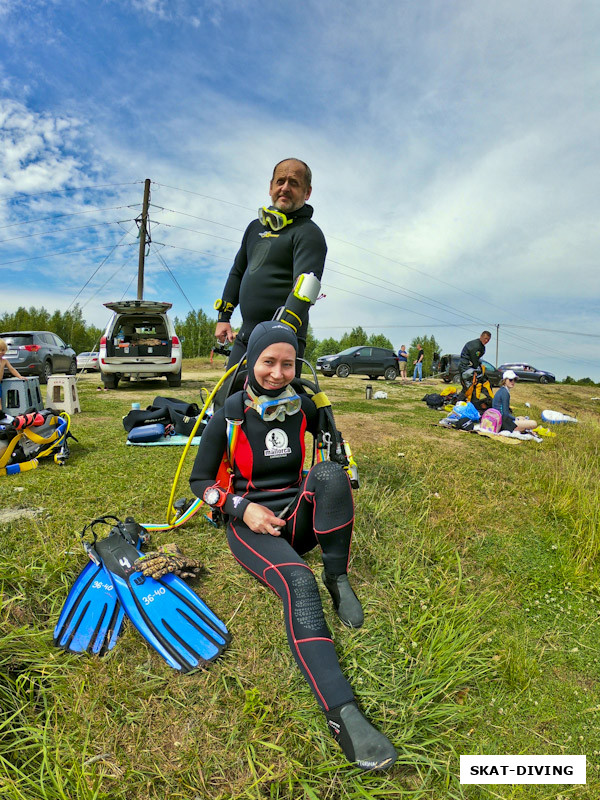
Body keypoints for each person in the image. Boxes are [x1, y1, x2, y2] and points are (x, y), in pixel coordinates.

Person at [190, 321, 397, 772]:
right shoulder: (228, 414)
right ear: (252, 363)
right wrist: (239, 507)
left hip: (295, 513)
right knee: (298, 584)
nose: (278, 373)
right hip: (250, 521)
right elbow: (199, 482)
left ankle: (337, 577)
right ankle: (343, 713)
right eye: (269, 362)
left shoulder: (303, 405)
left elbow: (334, 451)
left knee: (329, 476)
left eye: (288, 364)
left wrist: (338, 466)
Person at [214, 158, 327, 367]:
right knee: (227, 399)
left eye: (294, 183)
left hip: (283, 337)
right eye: (280, 181)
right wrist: (224, 317)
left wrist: (280, 332)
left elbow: (305, 288)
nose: (285, 188)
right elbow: (237, 272)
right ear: (270, 187)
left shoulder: (309, 233)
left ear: (307, 192)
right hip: (246, 335)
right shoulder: (254, 228)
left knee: (276, 400)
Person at [0, 338, 24, 419]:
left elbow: (12, 369)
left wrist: (19, 376)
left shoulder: (4, 361)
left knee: (0, 401)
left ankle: (1, 417)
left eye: (3, 350)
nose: (1, 352)